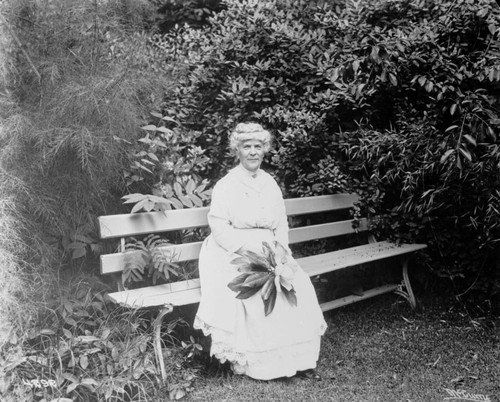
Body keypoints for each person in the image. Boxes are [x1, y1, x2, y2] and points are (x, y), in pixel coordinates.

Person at [193, 122, 327, 381]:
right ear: (238, 151)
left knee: (297, 284)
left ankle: (297, 358)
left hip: (270, 249)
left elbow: (280, 223)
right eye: (246, 147)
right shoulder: (227, 184)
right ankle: (256, 363)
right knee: (254, 290)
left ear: (264, 150)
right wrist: (246, 250)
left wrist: (283, 252)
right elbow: (218, 225)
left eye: (258, 146)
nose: (253, 152)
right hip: (232, 249)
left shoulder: (270, 183)